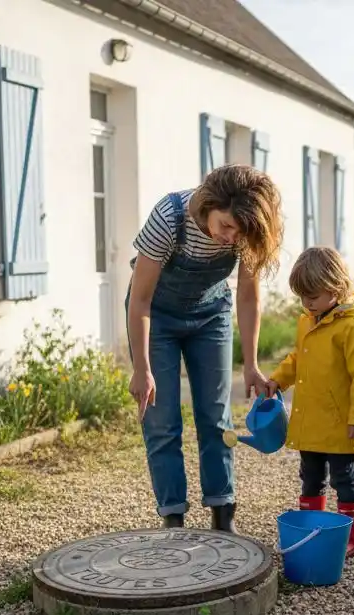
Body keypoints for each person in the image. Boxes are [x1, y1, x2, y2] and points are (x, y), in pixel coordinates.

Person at [126, 165, 283, 532]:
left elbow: (247, 297)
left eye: (238, 231)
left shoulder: (245, 229)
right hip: (157, 317)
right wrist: (142, 367)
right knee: (161, 421)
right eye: (225, 226)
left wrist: (251, 365)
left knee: (216, 418)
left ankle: (223, 517)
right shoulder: (168, 218)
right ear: (208, 205)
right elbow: (140, 301)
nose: (230, 237)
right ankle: (173, 520)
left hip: (211, 315)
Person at [267, 247, 354, 558]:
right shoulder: (308, 320)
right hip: (312, 422)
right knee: (310, 477)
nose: (307, 303)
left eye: (312, 296)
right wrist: (278, 380)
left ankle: (349, 538)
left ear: (335, 286)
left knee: (344, 479)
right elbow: (300, 358)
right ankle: (312, 528)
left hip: (342, 424)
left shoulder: (352, 325)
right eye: (302, 297)